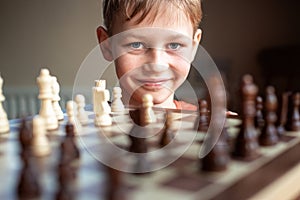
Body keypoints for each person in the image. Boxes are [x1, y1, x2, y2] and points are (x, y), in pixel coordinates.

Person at [97, 0, 202, 111]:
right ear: (107, 46)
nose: (156, 66)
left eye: (174, 45)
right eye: (136, 45)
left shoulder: (207, 122)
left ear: (193, 48)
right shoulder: (86, 123)